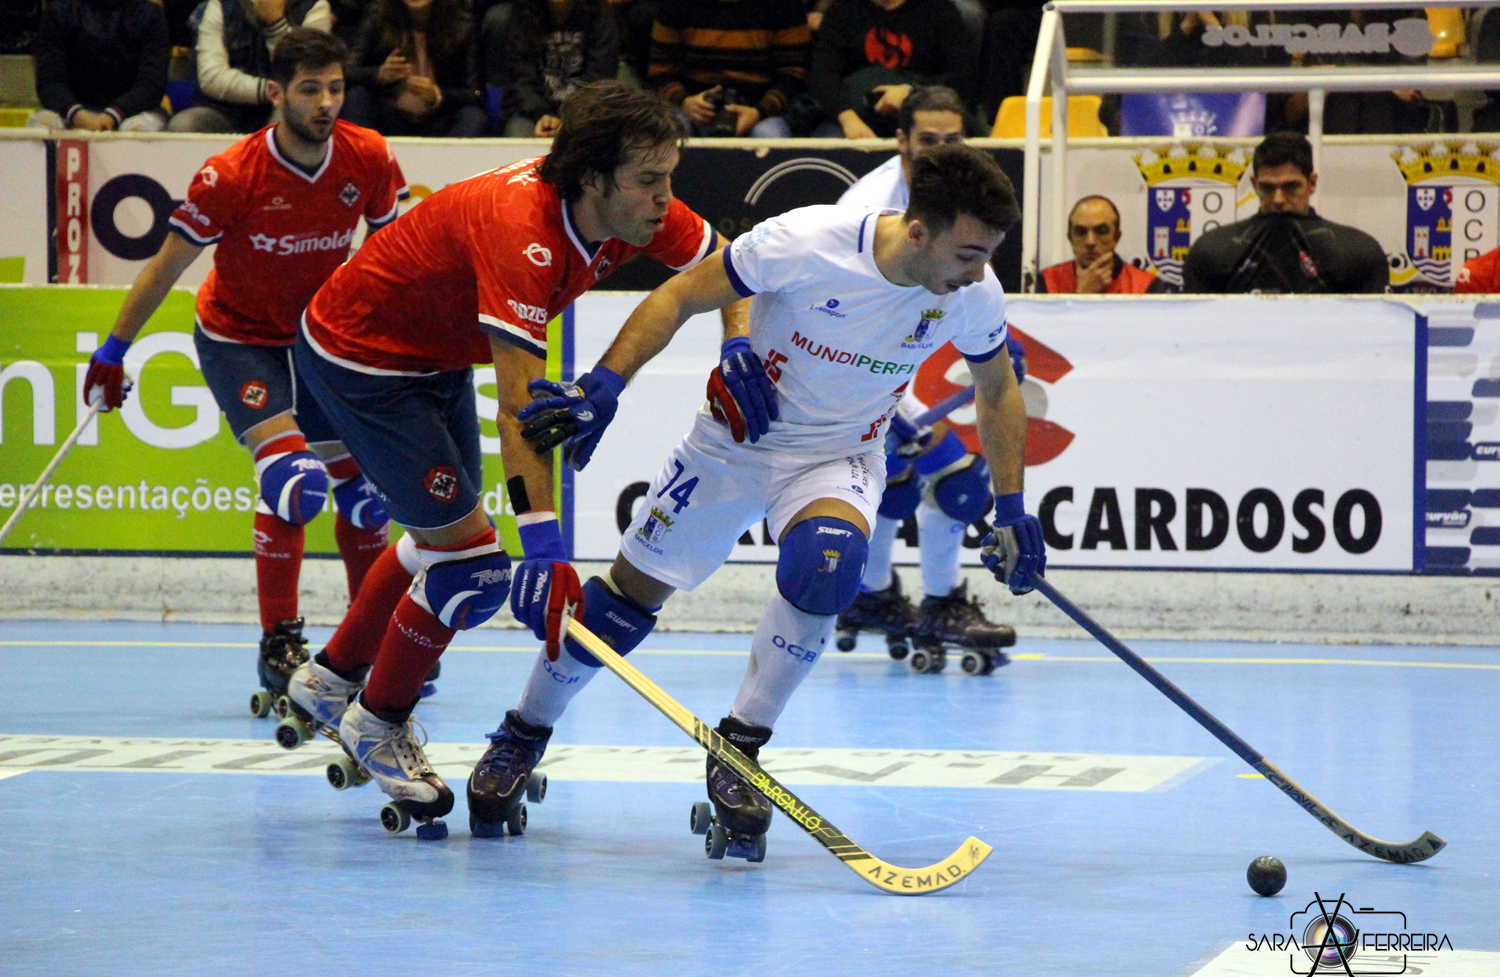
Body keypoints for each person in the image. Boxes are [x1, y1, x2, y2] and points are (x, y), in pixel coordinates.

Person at [491, 144, 1045, 859]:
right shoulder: (809, 240)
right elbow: (678, 295)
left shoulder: (972, 290)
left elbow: (997, 389)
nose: (976, 273)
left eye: (986, 256)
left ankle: (740, 749)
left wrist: (1011, 506)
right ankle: (521, 733)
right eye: (967, 254)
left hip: (838, 456)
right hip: (734, 445)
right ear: (918, 232)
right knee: (619, 607)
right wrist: (609, 382)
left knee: (827, 564)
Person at [284, 81, 735, 839]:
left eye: (669, 176)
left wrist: (740, 346)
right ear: (592, 179)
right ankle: (377, 721)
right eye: (649, 179)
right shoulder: (523, 231)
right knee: (475, 570)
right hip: (363, 361)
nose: (666, 196)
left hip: (432, 357)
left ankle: (329, 678)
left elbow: (731, 271)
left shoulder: (637, 209)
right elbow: (520, 409)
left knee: (445, 542)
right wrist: (546, 550)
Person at [81, 29, 407, 708]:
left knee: (367, 497)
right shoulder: (230, 174)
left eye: (336, 88)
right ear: (276, 94)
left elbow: (393, 257)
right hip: (239, 339)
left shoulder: (369, 155)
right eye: (310, 90)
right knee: (293, 481)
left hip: (320, 340)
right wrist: (114, 349)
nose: (326, 103)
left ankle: (368, 643)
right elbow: (166, 267)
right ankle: (278, 644)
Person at [834, 85, 1016, 672]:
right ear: (901, 142)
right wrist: (900, 410)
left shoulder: (969, 198)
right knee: (955, 479)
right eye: (927, 140)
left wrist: (995, 344)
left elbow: (967, 289)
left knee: (904, 478)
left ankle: (872, 593)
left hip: (898, 348)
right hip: (847, 358)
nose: (941, 150)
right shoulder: (867, 207)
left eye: (953, 139)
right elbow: (850, 326)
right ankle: (936, 603)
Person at [1183, 132, 1389, 294]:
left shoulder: (1358, 254)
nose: (1278, 199)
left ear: (1312, 183)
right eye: (1267, 188)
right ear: (1254, 184)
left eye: (1290, 187)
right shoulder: (1211, 253)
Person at [807, 0, 974, 139]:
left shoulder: (939, 10)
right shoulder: (842, 11)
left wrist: (912, 94)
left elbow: (961, 78)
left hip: (925, 114)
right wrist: (848, 119)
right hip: (852, 113)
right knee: (828, 145)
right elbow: (822, 75)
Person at [646, 0, 811, 139]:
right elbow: (660, 71)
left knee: (770, 136)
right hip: (693, 105)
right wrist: (684, 102)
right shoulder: (676, 4)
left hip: (761, 108)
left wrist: (759, 112)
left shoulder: (784, 5)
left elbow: (793, 75)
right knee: (669, 134)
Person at [168, 0, 334, 133]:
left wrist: (275, 24)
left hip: (283, 109)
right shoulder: (220, 5)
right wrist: (272, 91)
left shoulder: (315, 8)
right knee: (184, 124)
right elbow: (211, 78)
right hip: (224, 110)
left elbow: (303, 74)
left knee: (289, 116)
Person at [342, 0, 486, 137]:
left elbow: (476, 94)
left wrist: (439, 96)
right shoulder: (378, 15)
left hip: (440, 119)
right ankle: (359, 153)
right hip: (390, 115)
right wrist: (379, 74)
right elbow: (346, 73)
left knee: (474, 116)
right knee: (356, 96)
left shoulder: (462, 23)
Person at [28, 0, 169, 132]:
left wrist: (113, 115)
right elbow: (49, 80)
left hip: (133, 111)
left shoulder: (150, 15)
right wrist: (76, 113)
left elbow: (151, 83)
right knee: (40, 125)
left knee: (139, 128)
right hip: (71, 109)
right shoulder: (59, 12)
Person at [489, 0, 619, 139]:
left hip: (584, 113)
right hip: (531, 113)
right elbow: (521, 80)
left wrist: (568, 119)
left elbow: (598, 80)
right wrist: (543, 116)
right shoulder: (521, 14)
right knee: (518, 132)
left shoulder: (600, 16)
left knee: (597, 136)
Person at [1039, 196, 1172, 294]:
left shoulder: (1146, 285)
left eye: (1101, 231)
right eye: (1081, 232)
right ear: (1070, 238)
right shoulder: (1048, 281)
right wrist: (1083, 295)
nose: (1090, 241)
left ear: (1116, 237)